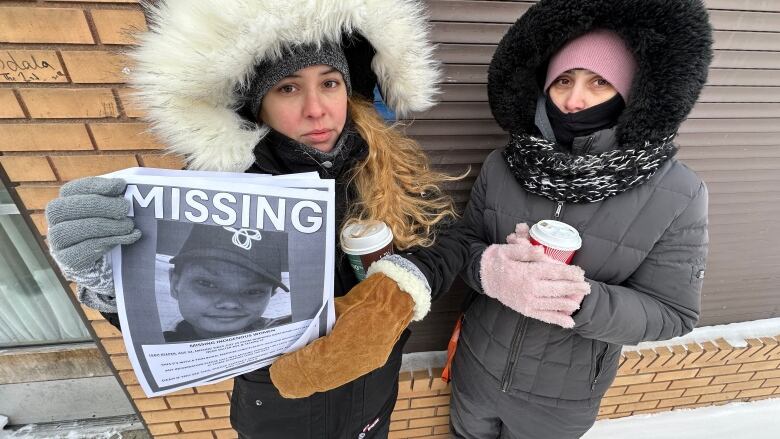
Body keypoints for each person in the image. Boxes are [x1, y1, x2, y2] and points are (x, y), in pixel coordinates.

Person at [43, 0, 465, 437]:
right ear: (257, 103)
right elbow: (172, 321)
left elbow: (450, 237)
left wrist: (400, 286)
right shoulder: (217, 190)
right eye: (288, 88)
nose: (316, 109)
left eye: (330, 82)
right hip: (278, 413)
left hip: (373, 402)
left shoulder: (389, 164)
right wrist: (110, 280)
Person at [449, 0, 713, 438]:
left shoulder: (679, 194)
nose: (574, 100)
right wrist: (490, 271)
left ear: (629, 92)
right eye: (564, 81)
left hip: (560, 400)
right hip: (474, 371)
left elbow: (673, 313)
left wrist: (577, 300)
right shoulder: (503, 164)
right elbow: (464, 243)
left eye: (599, 82)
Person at [164, 224, 292, 342]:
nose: (229, 304)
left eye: (252, 291)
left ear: (271, 294)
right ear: (175, 284)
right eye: (207, 283)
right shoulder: (157, 343)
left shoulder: (283, 333)